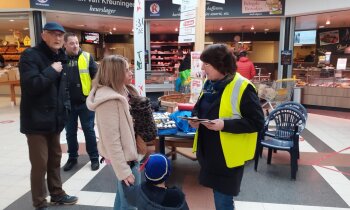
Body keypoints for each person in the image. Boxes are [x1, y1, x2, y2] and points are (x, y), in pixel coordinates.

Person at [188, 44, 264, 210]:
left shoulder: (243, 87)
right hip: (210, 153)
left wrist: (225, 125)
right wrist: (195, 117)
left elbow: (257, 122)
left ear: (219, 64)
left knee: (223, 200)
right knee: (218, 196)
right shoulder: (209, 84)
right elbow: (199, 107)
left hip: (228, 157)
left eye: (206, 64)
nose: (202, 67)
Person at [18, 22, 78, 210]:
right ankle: (39, 202)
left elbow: (62, 90)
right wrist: (52, 70)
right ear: (43, 35)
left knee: (55, 160)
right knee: (40, 164)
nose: (58, 38)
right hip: (35, 121)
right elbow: (32, 85)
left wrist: (65, 109)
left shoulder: (60, 56)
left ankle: (57, 193)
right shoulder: (30, 55)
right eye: (53, 34)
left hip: (55, 119)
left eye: (60, 35)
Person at [86, 55, 141, 210]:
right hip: (125, 160)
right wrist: (123, 171)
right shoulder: (108, 100)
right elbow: (112, 141)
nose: (131, 73)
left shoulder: (123, 91)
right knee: (131, 203)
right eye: (127, 70)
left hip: (128, 155)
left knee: (123, 197)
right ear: (115, 74)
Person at [62, 32, 99, 171]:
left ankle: (94, 158)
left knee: (89, 130)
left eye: (77, 43)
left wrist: (94, 96)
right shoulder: (59, 59)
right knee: (70, 132)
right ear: (65, 44)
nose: (75, 45)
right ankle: (72, 158)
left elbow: (96, 78)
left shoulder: (87, 57)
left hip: (85, 102)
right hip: (67, 104)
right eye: (71, 43)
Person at [122, 153, 189, 210]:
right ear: (168, 174)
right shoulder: (177, 197)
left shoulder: (139, 192)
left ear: (146, 173)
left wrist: (124, 173)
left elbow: (127, 194)